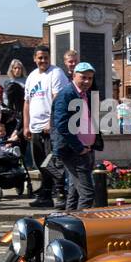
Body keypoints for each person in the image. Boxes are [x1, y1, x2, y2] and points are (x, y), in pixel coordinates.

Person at [23, 46, 71, 209]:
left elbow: (58, 99)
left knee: (53, 162)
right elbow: (27, 102)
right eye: (40, 58)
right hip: (35, 127)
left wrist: (51, 122)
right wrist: (26, 125)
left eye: (45, 57)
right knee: (40, 162)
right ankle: (45, 194)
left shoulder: (56, 73)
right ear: (34, 59)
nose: (43, 61)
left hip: (51, 127)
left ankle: (60, 194)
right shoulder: (31, 76)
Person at [52, 63, 103, 209]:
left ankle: (68, 223)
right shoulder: (67, 94)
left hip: (84, 148)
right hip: (74, 150)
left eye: (90, 78)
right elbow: (61, 125)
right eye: (83, 77)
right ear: (74, 76)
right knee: (87, 194)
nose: (87, 81)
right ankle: (81, 228)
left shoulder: (83, 94)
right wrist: (79, 147)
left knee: (74, 194)